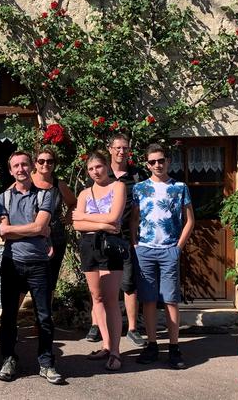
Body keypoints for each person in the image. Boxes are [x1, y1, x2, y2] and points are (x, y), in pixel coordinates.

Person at [0, 151, 64, 385]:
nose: (21, 169)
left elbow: (40, 226)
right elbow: (3, 231)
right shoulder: (3, 198)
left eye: (24, 164)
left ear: (31, 166)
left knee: (44, 317)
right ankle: (8, 359)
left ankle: (46, 363)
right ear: (10, 170)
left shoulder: (45, 195)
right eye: (16, 166)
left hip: (39, 264)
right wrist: (33, 228)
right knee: (8, 316)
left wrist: (16, 229)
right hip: (12, 263)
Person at [130, 143, 195, 369]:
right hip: (145, 250)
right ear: (147, 164)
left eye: (161, 160)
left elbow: (190, 220)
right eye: (152, 162)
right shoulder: (139, 188)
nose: (157, 165)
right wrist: (135, 244)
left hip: (169, 250)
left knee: (170, 299)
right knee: (148, 300)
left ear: (168, 161)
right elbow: (134, 219)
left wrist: (178, 247)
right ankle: (152, 345)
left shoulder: (179, 187)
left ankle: (174, 347)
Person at [86, 134, 145, 347]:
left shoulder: (136, 175)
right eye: (118, 147)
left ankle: (132, 328)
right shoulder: (100, 171)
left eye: (125, 148)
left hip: (125, 237)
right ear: (110, 149)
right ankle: (96, 324)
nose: (121, 151)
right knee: (98, 286)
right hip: (100, 238)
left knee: (129, 283)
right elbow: (88, 202)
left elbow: (139, 208)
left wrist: (136, 236)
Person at [72, 151, 126, 371]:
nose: (95, 172)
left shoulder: (118, 187)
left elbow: (114, 217)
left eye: (99, 167)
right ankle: (105, 345)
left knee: (111, 298)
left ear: (107, 166)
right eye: (91, 169)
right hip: (89, 246)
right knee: (97, 297)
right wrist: (103, 224)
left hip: (110, 247)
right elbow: (76, 224)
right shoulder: (85, 193)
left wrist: (86, 217)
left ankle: (115, 352)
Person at [31, 147, 76, 296]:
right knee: (28, 281)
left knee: (50, 281)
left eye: (50, 161)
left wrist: (68, 218)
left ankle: (46, 310)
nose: (45, 164)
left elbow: (73, 203)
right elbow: (7, 200)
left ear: (54, 164)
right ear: (35, 163)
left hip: (56, 239)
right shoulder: (26, 182)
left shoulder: (59, 185)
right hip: (32, 239)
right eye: (41, 161)